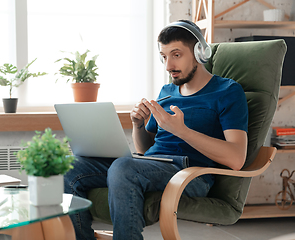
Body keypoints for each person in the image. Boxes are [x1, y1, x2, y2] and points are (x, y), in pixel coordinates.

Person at [64, 20, 248, 240]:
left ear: (199, 52)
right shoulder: (167, 91)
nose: (168, 65)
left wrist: (182, 131)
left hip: (191, 174)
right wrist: (138, 124)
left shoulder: (228, 91)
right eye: (164, 56)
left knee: (123, 167)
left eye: (176, 54)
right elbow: (145, 149)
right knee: (68, 166)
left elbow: (237, 158)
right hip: (151, 165)